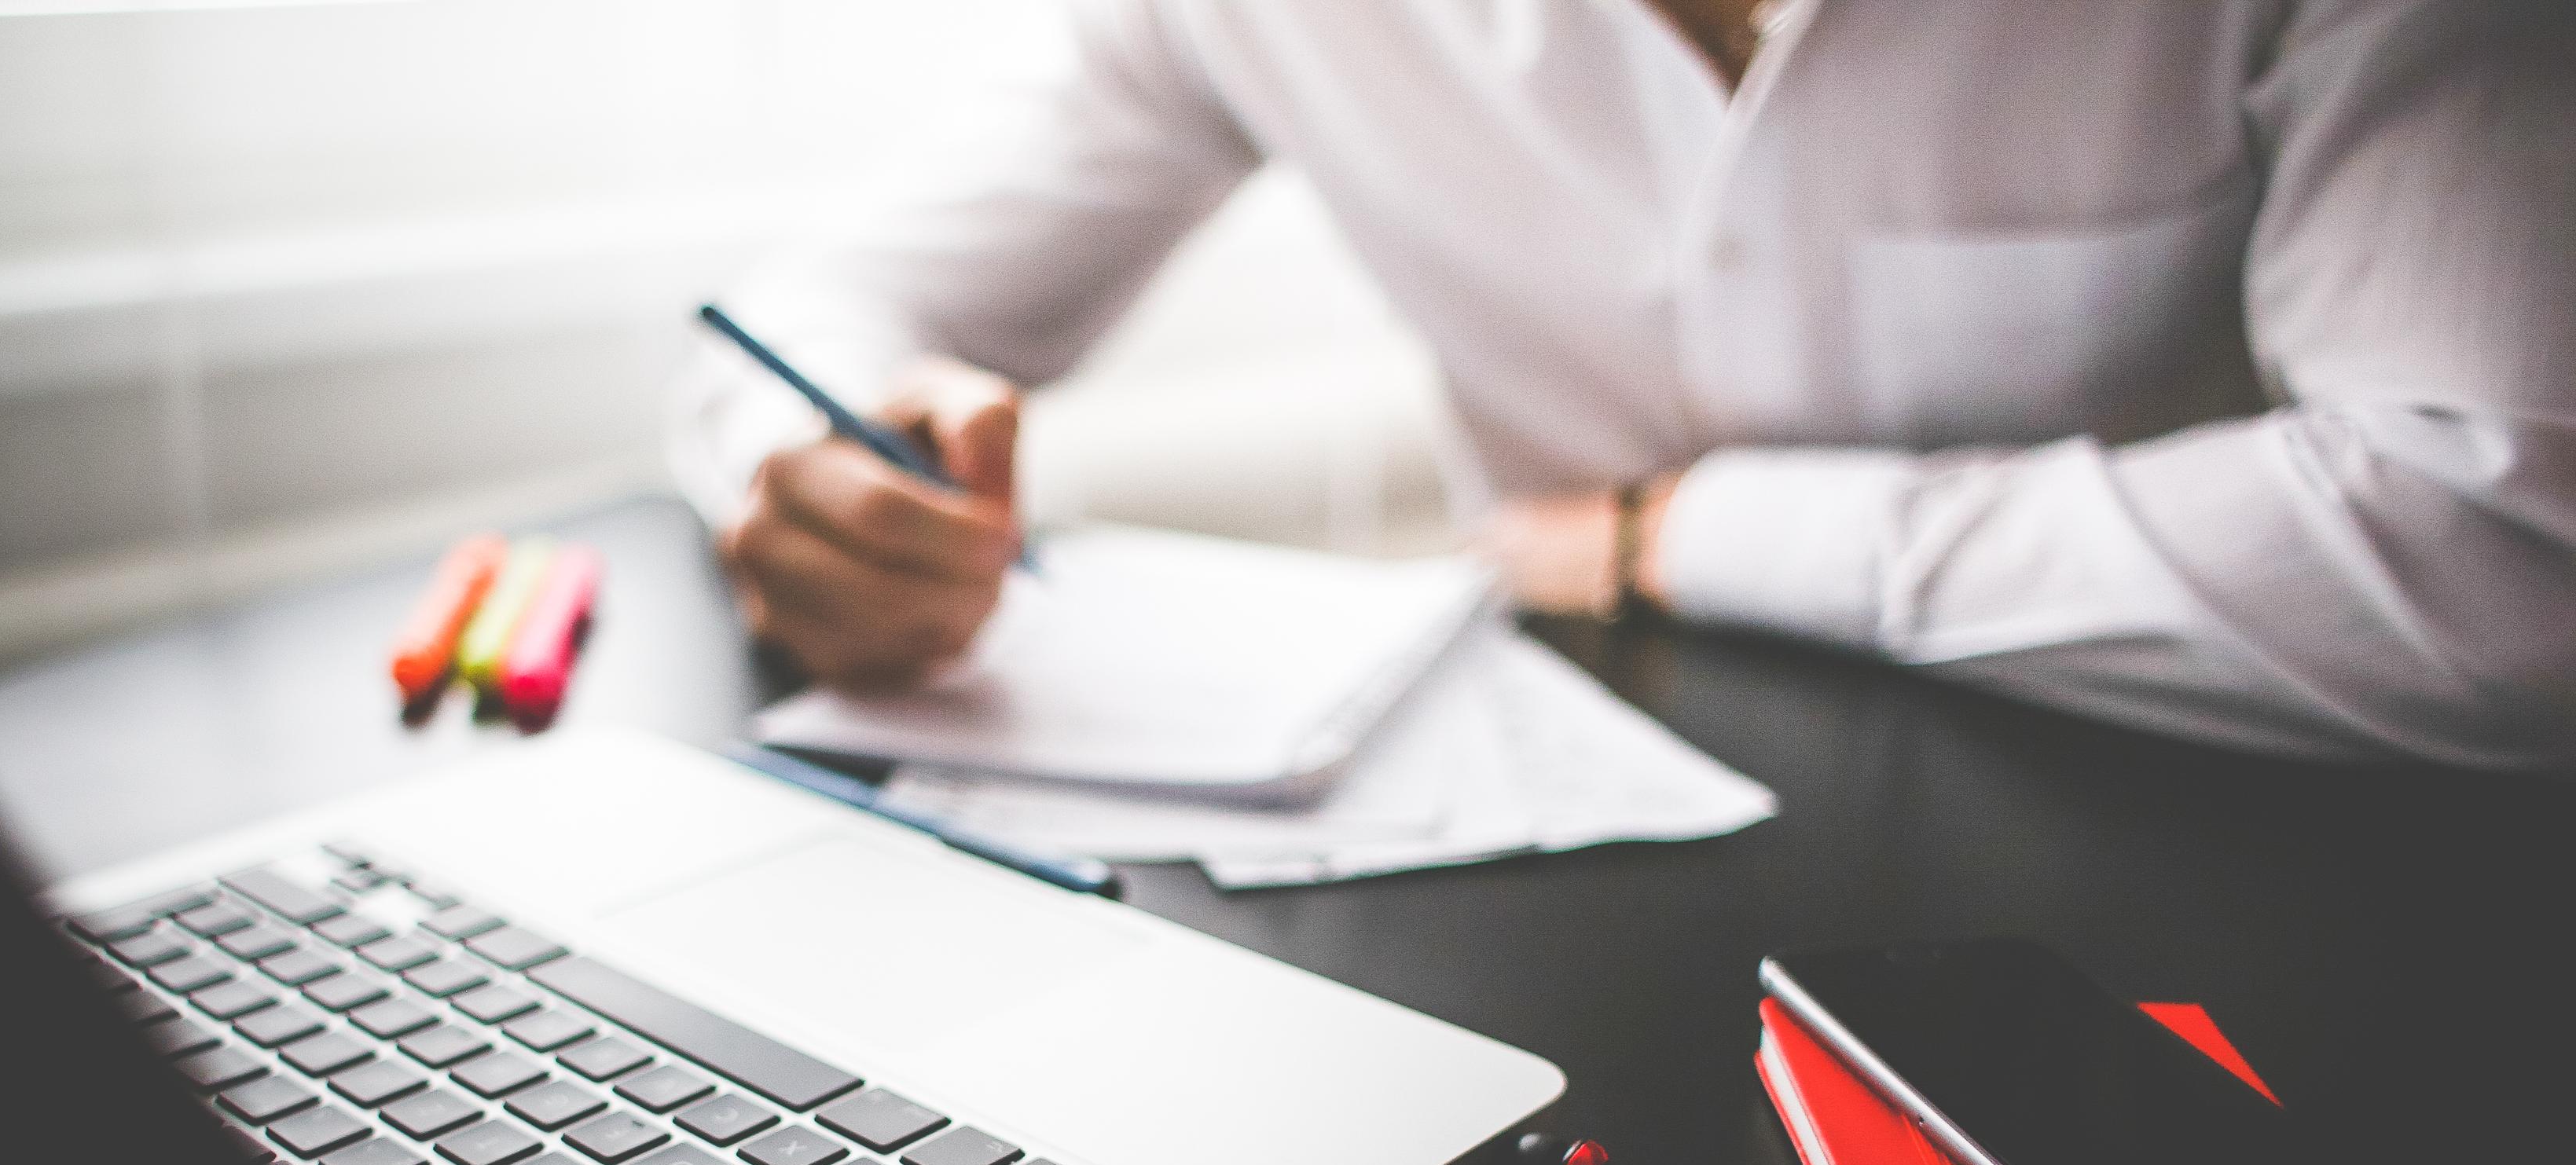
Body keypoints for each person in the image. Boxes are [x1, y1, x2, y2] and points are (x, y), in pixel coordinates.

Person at [672, 0, 2576, 767]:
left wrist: (1691, 534)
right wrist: (808, 470)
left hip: (2214, 839)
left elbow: (2496, 543)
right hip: (1563, 858)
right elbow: (823, 312)